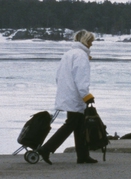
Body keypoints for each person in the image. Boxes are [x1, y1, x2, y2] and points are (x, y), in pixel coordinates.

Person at [38, 30, 98, 165]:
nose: (91, 44)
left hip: (67, 93)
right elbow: (81, 78)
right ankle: (46, 149)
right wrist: (86, 95)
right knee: (72, 124)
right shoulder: (80, 56)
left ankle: (83, 156)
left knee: (79, 125)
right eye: (90, 41)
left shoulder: (69, 54)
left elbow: (58, 76)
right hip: (75, 95)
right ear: (85, 41)